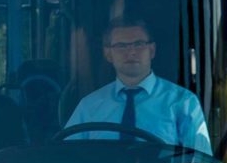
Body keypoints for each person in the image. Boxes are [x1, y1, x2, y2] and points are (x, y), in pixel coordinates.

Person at [64, 18, 212, 153]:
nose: (131, 52)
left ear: (152, 50)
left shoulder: (183, 102)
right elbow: (68, 158)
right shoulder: (89, 106)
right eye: (121, 46)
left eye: (139, 44)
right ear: (108, 54)